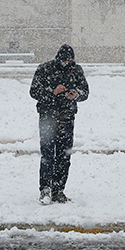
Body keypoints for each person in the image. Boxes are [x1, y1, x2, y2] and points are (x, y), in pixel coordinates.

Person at [29, 44, 89, 204]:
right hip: (48, 118)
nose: (67, 64)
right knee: (48, 155)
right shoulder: (45, 69)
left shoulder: (76, 70)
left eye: (69, 62)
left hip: (67, 118)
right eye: (64, 61)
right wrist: (52, 92)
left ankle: (58, 190)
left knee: (64, 156)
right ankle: (45, 190)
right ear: (58, 58)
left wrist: (76, 94)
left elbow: (85, 92)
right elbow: (34, 91)